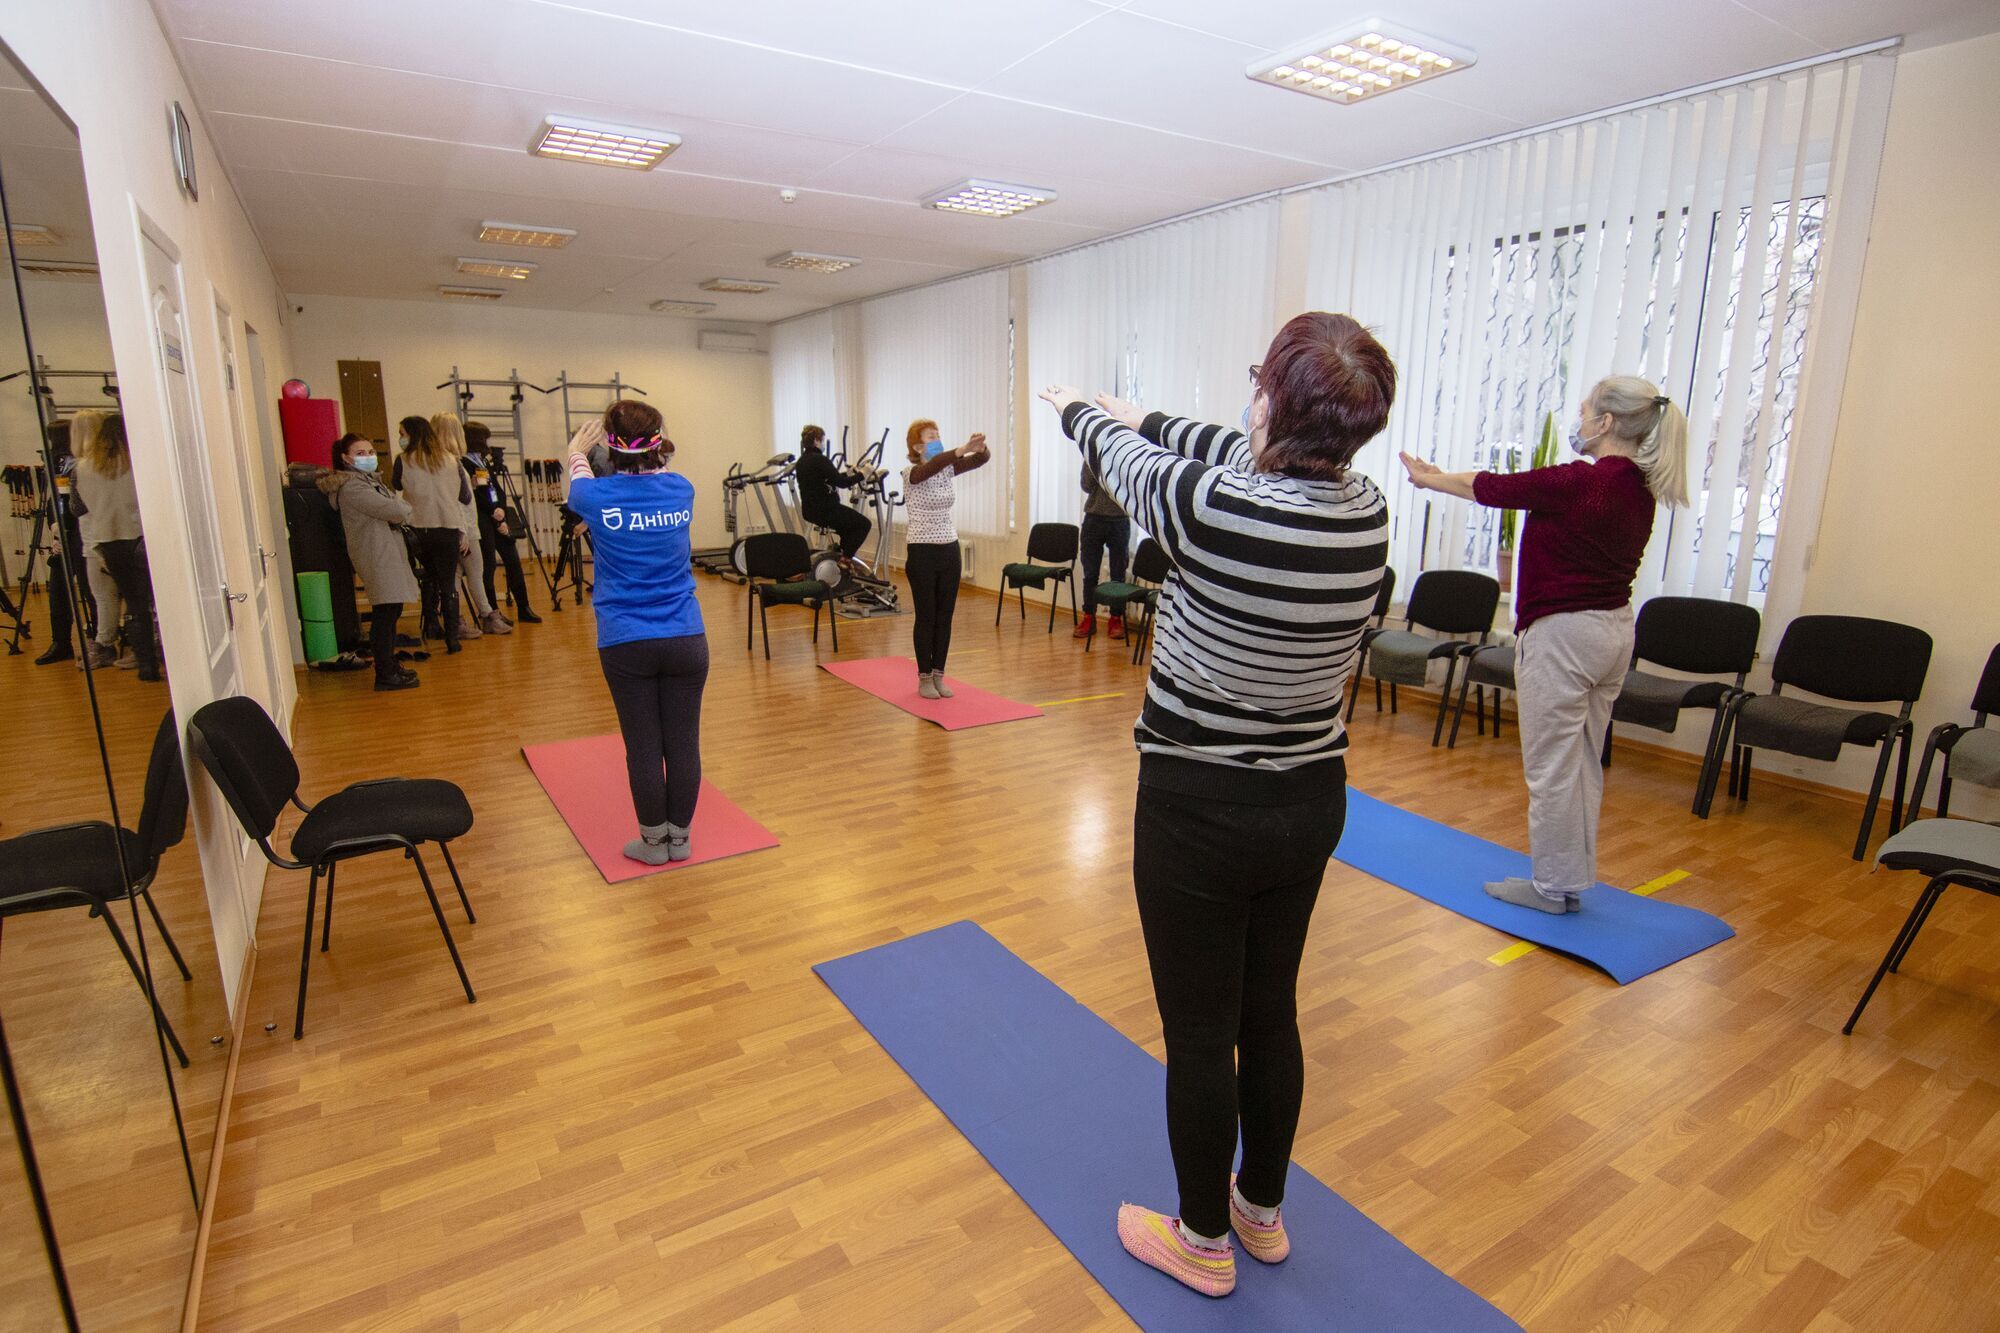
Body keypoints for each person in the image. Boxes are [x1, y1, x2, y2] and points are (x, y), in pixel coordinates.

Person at [1038, 311, 1394, 1298]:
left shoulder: (1208, 507)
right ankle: (1259, 1211)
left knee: (1199, 1034)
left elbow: (1127, 459)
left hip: (1198, 807)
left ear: (1274, 405)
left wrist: (1078, 407)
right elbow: (1202, 445)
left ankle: (1199, 1240)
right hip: (1306, 803)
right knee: (1267, 1014)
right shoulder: (1364, 508)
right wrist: (1142, 408)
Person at [1401, 375, 1689, 914]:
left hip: (1564, 634)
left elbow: (1491, 488)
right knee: (1581, 760)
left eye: (1584, 413)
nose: (1578, 421)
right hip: (1613, 631)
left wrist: (1429, 479)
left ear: (1606, 422)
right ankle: (1569, 878)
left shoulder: (1582, 481)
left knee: (1552, 764)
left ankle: (1551, 888)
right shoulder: (1640, 489)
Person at [563, 401, 707, 865]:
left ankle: (652, 844)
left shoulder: (592, 497)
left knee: (643, 745)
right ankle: (679, 840)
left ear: (609, 445)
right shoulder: (681, 490)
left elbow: (580, 479)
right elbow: (658, 468)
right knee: (682, 741)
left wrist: (575, 451)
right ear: (657, 443)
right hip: (685, 636)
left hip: (626, 639)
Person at [320, 435, 421, 690]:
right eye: (360, 453)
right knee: (385, 614)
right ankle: (385, 673)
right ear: (345, 458)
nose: (368, 456)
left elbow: (396, 508)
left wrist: (399, 507)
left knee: (392, 610)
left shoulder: (369, 482)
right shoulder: (353, 487)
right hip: (376, 556)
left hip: (386, 552)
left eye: (370, 451)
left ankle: (390, 664)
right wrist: (401, 508)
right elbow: (398, 511)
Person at [901, 419, 988, 700]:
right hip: (922, 550)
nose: (937, 438)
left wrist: (980, 447)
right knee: (926, 616)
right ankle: (924, 677)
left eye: (939, 434)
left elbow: (981, 460)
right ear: (917, 445)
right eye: (931, 436)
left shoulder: (946, 469)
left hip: (948, 548)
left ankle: (939, 674)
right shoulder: (912, 472)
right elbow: (933, 465)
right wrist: (962, 448)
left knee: (945, 616)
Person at [71, 411, 161, 681]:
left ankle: (146, 664)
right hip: (141, 537)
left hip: (107, 543)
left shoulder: (82, 469)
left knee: (133, 604)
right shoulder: (138, 464)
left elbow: (77, 508)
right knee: (152, 601)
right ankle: (156, 655)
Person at [391, 414, 473, 652]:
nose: (400, 439)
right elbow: (465, 497)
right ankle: (453, 639)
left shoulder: (403, 460)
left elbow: (396, 485)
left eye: (402, 434)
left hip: (418, 528)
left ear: (412, 435)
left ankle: (431, 624)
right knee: (448, 583)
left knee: (428, 576)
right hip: (447, 528)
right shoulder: (451, 460)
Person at [430, 414, 510, 637]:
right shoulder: (449, 462)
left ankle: (459, 619)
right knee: (475, 571)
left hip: (456, 525)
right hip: (461, 526)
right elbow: (456, 499)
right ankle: (484, 616)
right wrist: (462, 530)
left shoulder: (443, 461)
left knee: (457, 573)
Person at [463, 421, 540, 624]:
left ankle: (524, 606)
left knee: (513, 560)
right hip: (482, 518)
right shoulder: (463, 463)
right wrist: (492, 512)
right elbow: (475, 495)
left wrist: (500, 512)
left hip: (496, 515)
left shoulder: (482, 462)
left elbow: (496, 489)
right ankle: (493, 612)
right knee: (488, 565)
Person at [792, 425, 871, 565]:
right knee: (863, 524)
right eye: (822, 440)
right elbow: (842, 483)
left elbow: (827, 479)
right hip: (827, 510)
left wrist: (850, 474)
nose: (823, 443)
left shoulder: (802, 461)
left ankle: (839, 559)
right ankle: (845, 560)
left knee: (848, 529)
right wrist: (863, 474)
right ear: (817, 441)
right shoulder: (819, 459)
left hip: (811, 511)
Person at [1075, 457, 1131, 641]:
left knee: (1118, 575)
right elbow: (1086, 485)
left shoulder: (1125, 455)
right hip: (1093, 518)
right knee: (1090, 574)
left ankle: (1115, 619)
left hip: (1119, 520)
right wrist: (1095, 463)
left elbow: (1130, 487)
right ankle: (1088, 618)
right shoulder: (1091, 456)